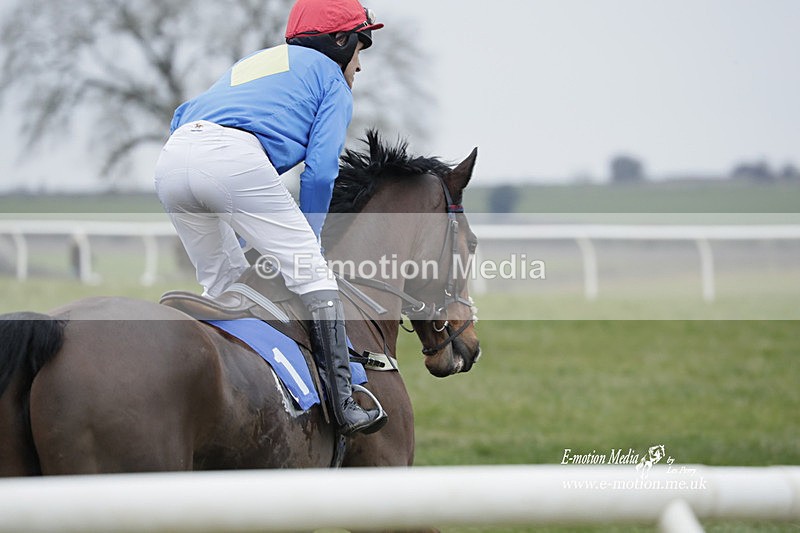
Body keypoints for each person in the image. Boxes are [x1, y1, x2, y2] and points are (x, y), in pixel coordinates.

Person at [153, 0, 386, 436]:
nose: (359, 65)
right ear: (341, 41)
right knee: (313, 274)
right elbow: (321, 172)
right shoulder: (332, 80)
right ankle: (344, 405)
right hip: (230, 159)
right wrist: (311, 241)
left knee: (224, 283)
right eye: (361, 49)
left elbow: (183, 115)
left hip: (173, 157)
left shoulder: (256, 63)